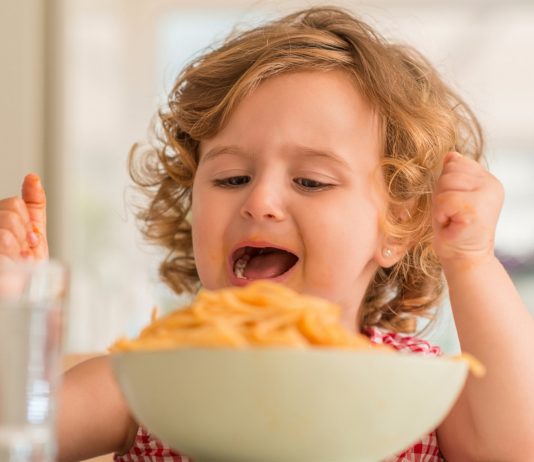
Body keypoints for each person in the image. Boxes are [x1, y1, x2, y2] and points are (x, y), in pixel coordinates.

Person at [1, 5, 533, 461]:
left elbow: (513, 447)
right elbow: (18, 430)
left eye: (311, 181)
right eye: (232, 178)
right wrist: (21, 308)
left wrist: (471, 260)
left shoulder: (415, 387)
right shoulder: (151, 380)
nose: (259, 201)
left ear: (394, 228)